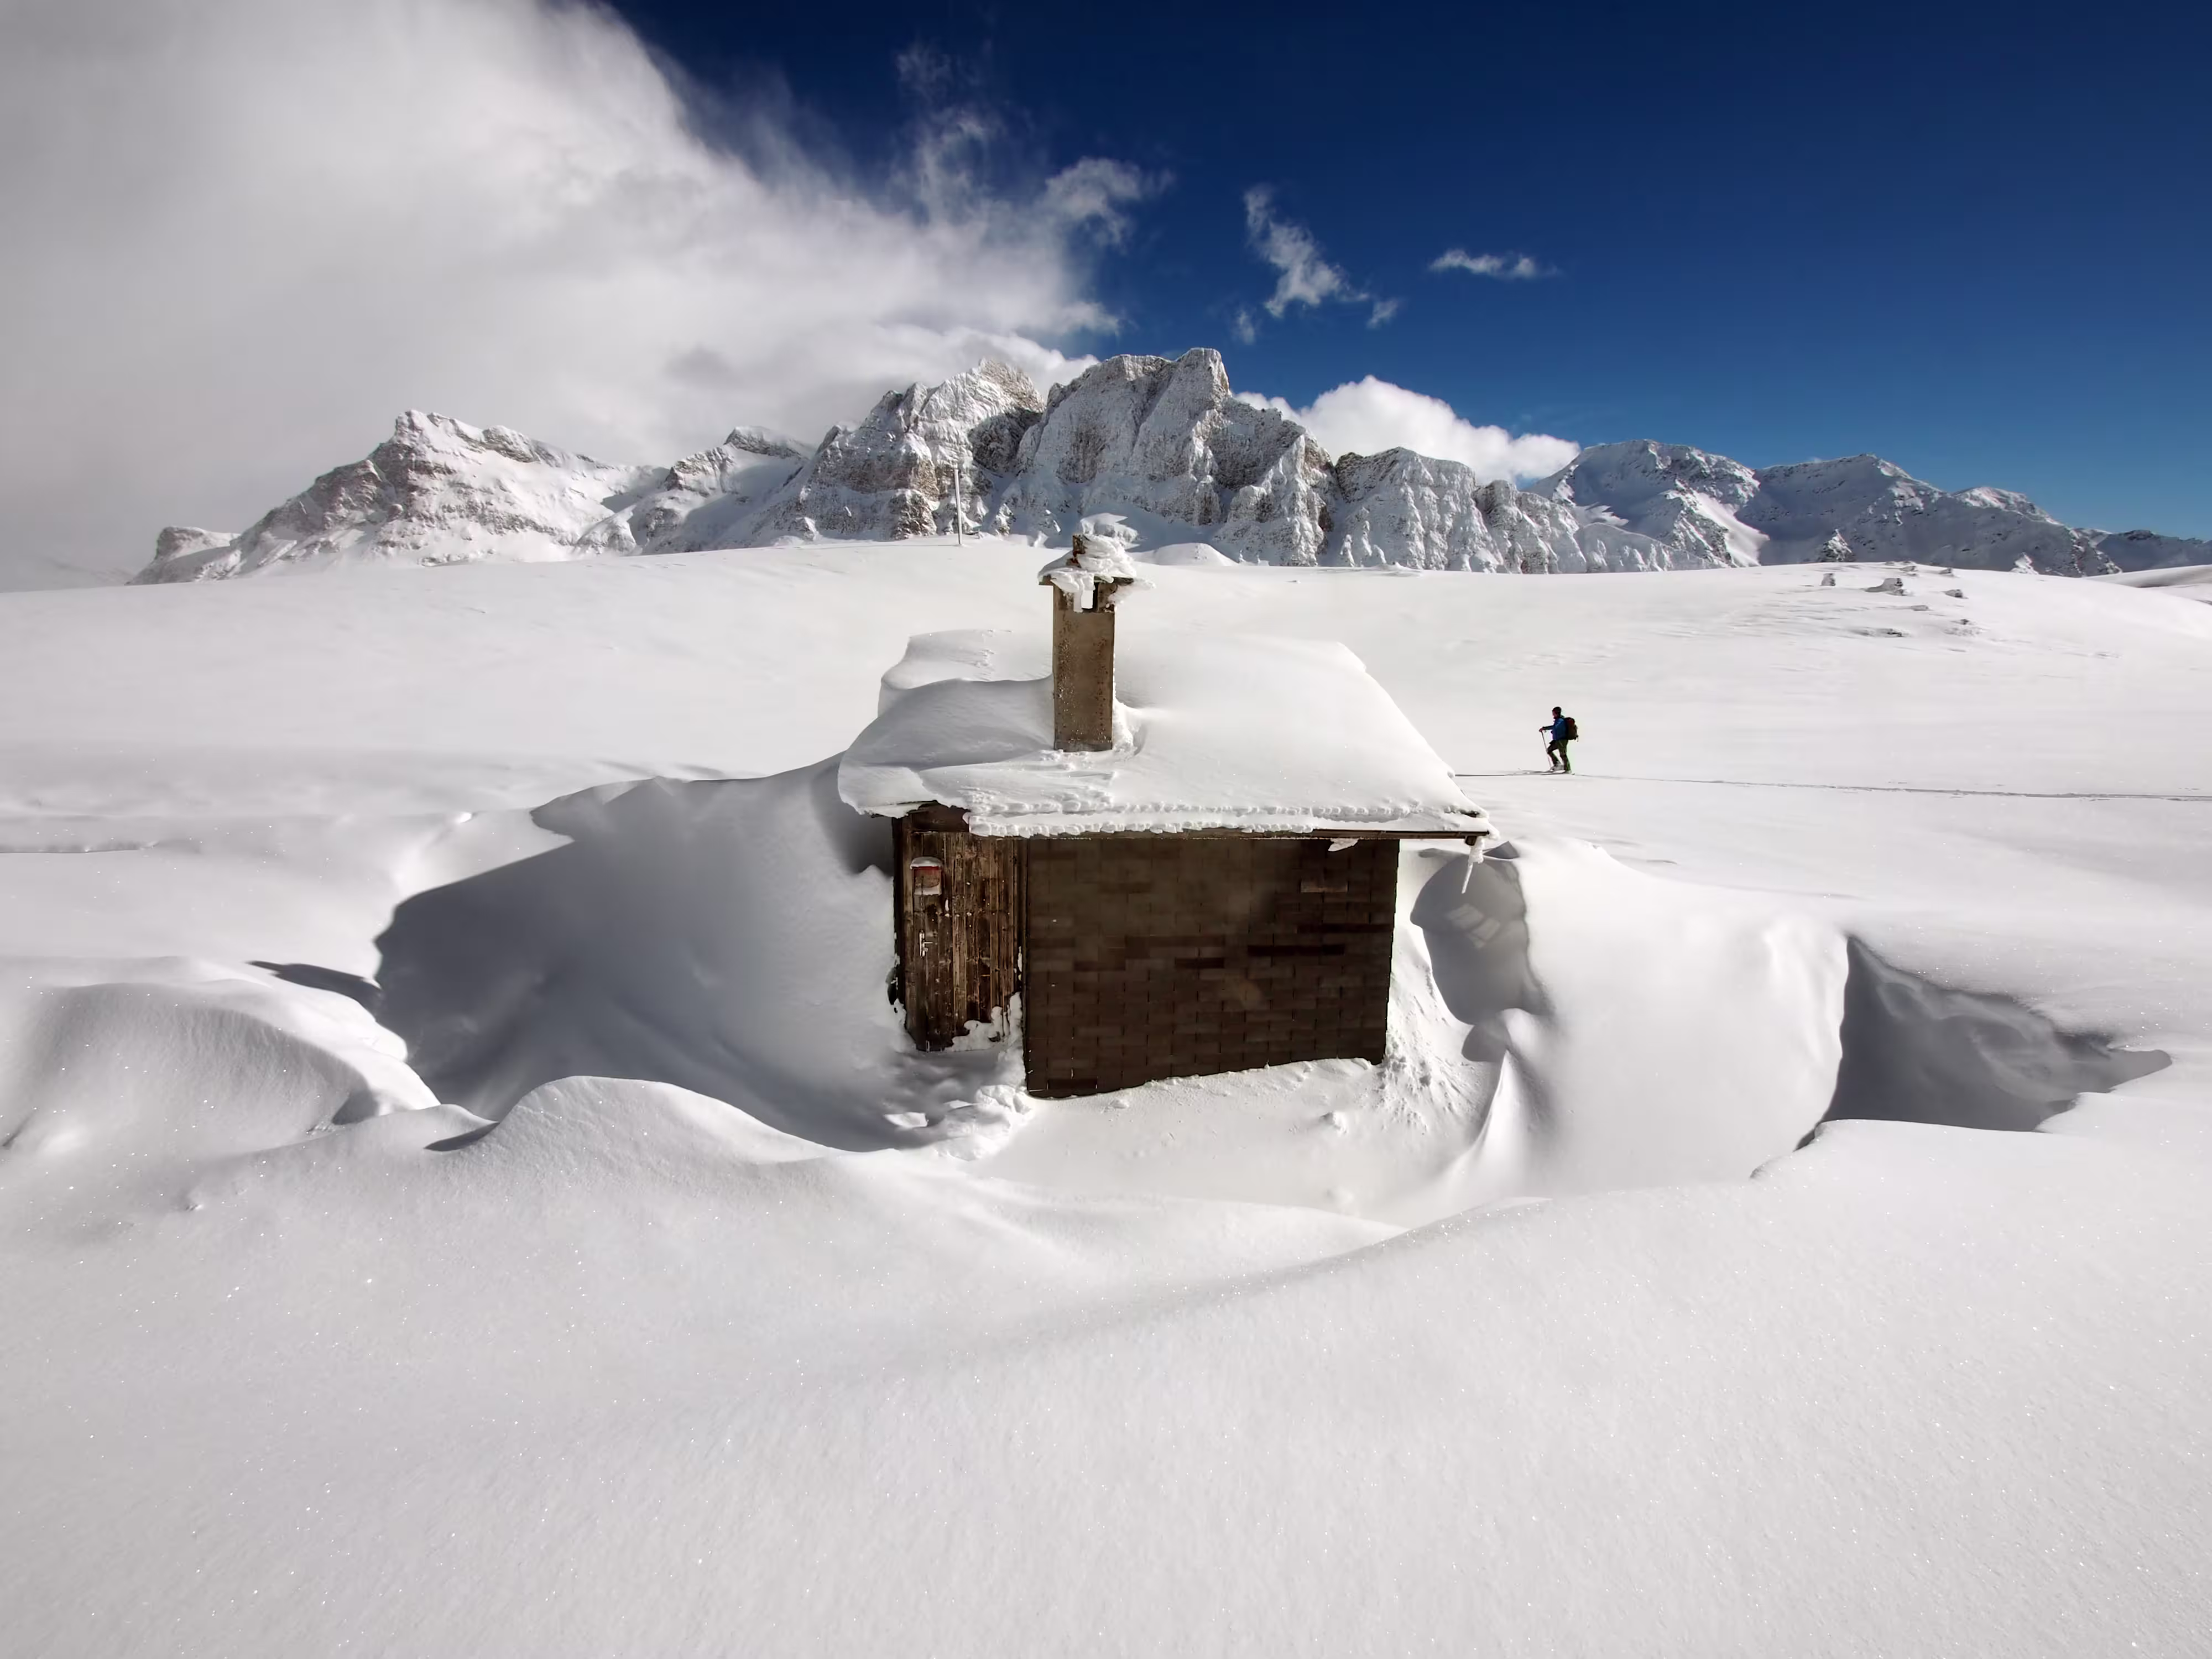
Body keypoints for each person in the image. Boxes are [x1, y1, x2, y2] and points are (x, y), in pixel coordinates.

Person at [1541, 706, 1576, 773]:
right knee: (1549, 750)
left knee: (1563, 754)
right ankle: (1557, 765)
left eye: (1553, 713)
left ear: (1556, 713)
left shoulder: (1560, 720)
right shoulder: (1558, 720)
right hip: (1558, 740)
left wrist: (1545, 728)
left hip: (1562, 740)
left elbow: (1555, 727)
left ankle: (1568, 769)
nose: (1553, 714)